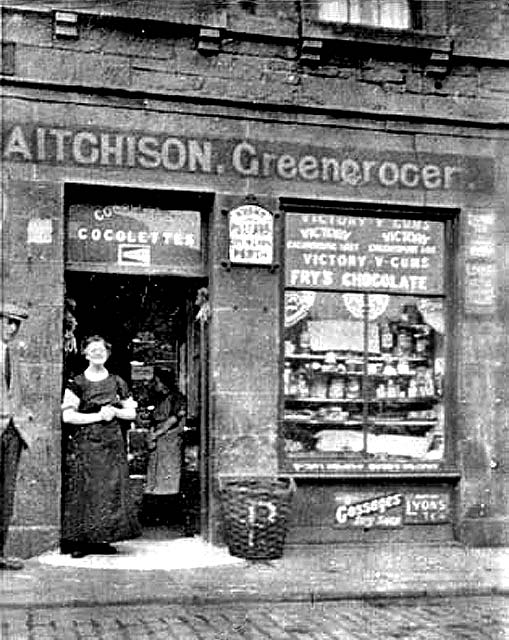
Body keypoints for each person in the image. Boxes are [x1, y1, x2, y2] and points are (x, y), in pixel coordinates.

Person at [61, 335, 141, 558]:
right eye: (93, 350)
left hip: (112, 444)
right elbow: (68, 417)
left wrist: (115, 412)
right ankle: (80, 542)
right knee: (84, 490)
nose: (98, 353)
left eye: (102, 350)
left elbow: (131, 412)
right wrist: (97, 416)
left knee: (109, 490)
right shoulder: (77, 383)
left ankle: (103, 539)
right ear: (85, 354)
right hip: (86, 443)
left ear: (107, 354)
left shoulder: (117, 381)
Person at [0, 302, 34, 570]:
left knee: (6, 496)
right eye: (7, 321)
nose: (12, 328)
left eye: (16, 324)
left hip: (13, 432)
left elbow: (16, 392)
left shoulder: (14, 354)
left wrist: (24, 413)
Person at [144, 367, 186, 505]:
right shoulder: (158, 399)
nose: (154, 385)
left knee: (168, 475)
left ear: (164, 383)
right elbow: (153, 419)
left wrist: (157, 433)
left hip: (170, 442)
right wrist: (151, 435)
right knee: (155, 476)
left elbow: (174, 419)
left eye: (157, 382)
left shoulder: (177, 398)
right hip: (158, 443)